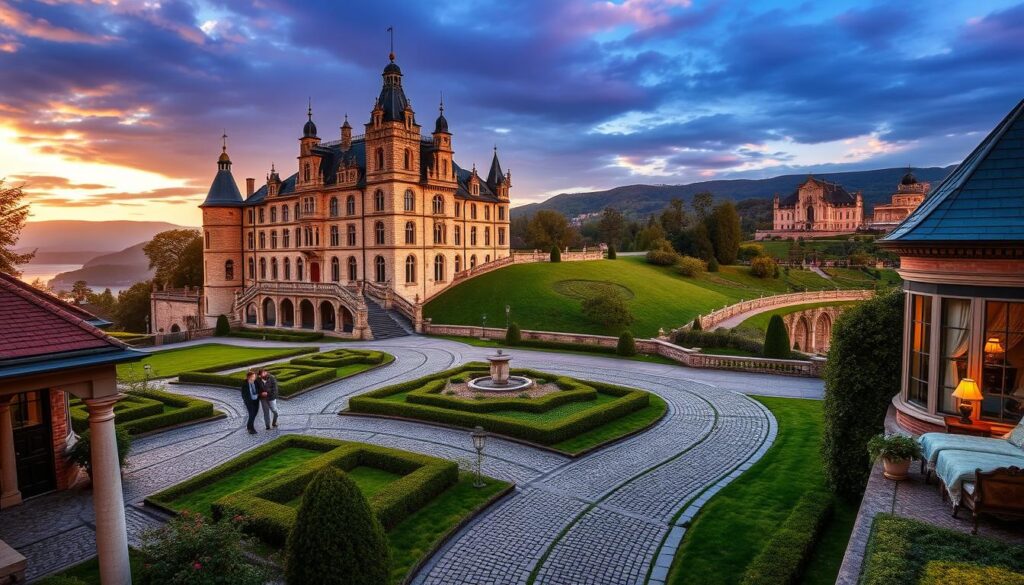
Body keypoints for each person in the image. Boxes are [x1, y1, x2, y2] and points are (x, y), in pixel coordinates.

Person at [240, 370, 260, 434]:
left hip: (256, 400)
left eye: (255, 376)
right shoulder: (245, 384)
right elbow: (243, 394)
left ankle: (250, 427)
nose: (255, 377)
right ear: (249, 377)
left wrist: (258, 394)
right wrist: (247, 401)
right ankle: (250, 428)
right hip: (249, 402)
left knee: (254, 414)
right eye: (254, 376)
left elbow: (258, 389)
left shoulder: (255, 382)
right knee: (251, 414)